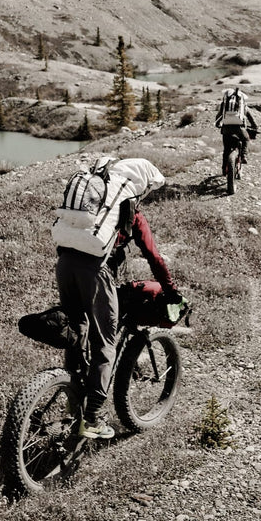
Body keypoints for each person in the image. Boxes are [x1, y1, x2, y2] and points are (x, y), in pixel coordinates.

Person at [51, 156, 176, 440]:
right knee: (105, 344)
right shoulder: (129, 210)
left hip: (65, 266)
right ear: (139, 186)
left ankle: (74, 401)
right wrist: (171, 291)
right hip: (94, 273)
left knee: (77, 331)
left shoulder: (93, 205)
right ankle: (93, 418)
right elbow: (154, 257)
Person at [214, 87, 258, 166]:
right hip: (240, 129)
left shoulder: (224, 105)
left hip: (226, 129)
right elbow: (251, 118)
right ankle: (244, 155)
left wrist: (218, 124)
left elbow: (218, 116)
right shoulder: (243, 106)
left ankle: (224, 169)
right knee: (246, 139)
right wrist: (255, 127)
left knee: (226, 150)